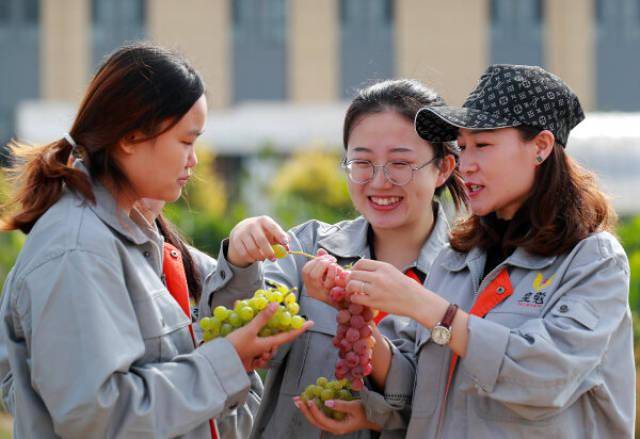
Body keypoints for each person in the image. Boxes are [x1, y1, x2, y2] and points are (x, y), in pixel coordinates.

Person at [0, 43, 310, 438]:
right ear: (130, 137)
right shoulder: (76, 251)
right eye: (186, 141)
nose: (194, 160)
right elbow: (94, 417)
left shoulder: (132, 237)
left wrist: (242, 262)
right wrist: (226, 361)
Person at [326, 64, 635, 438]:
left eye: (483, 146)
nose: (466, 166)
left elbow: (546, 378)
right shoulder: (455, 259)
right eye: (462, 147)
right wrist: (361, 326)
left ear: (540, 147)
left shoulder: (592, 260)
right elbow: (421, 390)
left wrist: (428, 309)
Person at [200, 79, 466, 438]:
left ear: (444, 168)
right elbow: (239, 336)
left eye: (400, 164)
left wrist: (356, 320)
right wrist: (240, 259)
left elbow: (458, 406)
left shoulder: (470, 273)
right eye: (362, 163)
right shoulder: (308, 246)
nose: (379, 182)